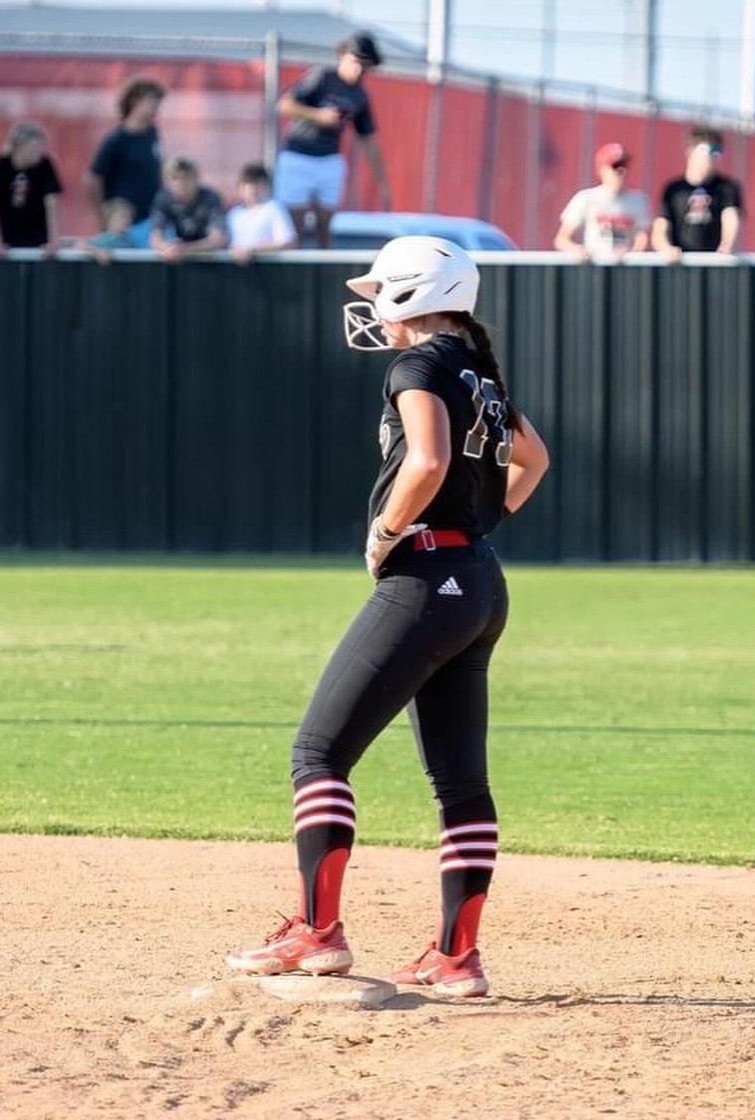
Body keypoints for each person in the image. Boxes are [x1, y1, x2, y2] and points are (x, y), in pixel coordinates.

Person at [227, 236, 549, 998]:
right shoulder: (481, 372)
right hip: (478, 581)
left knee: (318, 754)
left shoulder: (415, 365)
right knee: (460, 782)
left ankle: (316, 934)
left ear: (411, 294)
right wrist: (477, 525)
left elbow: (428, 461)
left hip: (424, 578)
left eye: (379, 291)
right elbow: (532, 460)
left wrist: (386, 533)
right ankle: (456, 957)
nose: (370, 303)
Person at [273, 31, 392, 250]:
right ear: (343, 56)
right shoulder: (322, 77)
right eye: (355, 62)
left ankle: (321, 275)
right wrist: (318, 115)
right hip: (298, 155)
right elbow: (284, 106)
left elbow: (368, 140)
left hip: (328, 159)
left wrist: (382, 183)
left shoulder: (360, 96)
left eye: (364, 66)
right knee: (293, 227)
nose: (358, 70)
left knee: (324, 228)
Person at [85, 76, 166, 248]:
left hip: (150, 223)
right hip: (124, 227)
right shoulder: (117, 139)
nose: (156, 108)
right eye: (151, 102)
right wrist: (104, 217)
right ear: (134, 101)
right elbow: (92, 180)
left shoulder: (152, 134)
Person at [652, 126, 743, 261]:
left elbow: (730, 217)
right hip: (680, 265)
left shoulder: (727, 188)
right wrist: (666, 248)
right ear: (691, 152)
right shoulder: (674, 190)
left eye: (717, 151)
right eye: (708, 150)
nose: (714, 156)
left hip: (714, 264)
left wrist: (727, 245)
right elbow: (660, 227)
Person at [554, 142, 650, 261]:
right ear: (601, 170)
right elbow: (562, 239)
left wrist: (631, 253)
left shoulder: (638, 200)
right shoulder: (586, 197)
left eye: (624, 166)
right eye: (615, 166)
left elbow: (642, 236)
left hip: (624, 268)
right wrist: (576, 249)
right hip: (594, 267)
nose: (621, 171)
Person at [0, 121, 63, 256]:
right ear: (19, 147)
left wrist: (53, 239)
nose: (39, 151)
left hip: (38, 236)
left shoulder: (45, 164)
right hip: (8, 236)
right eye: (34, 147)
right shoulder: (2, 165)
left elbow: (52, 202)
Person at [149, 155, 228, 261]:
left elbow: (217, 239)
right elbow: (155, 237)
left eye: (186, 177)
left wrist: (185, 249)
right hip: (180, 259)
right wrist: (166, 248)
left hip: (210, 262)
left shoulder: (210, 198)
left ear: (196, 179)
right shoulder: (163, 198)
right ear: (168, 182)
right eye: (175, 178)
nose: (181, 183)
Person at [227, 162, 297, 263]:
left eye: (258, 184)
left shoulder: (274, 208)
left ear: (267, 186)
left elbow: (288, 242)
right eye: (249, 185)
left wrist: (252, 250)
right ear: (240, 188)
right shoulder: (233, 215)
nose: (253, 189)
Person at [79, 197, 136, 264]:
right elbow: (81, 245)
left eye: (129, 217)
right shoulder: (105, 238)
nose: (127, 220)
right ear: (109, 218)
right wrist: (98, 252)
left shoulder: (129, 239)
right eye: (122, 216)